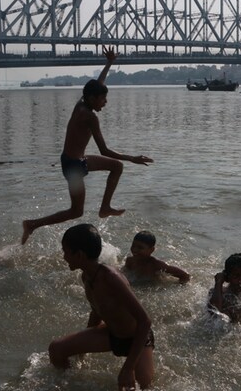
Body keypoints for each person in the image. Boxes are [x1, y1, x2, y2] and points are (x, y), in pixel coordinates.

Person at [21, 46, 153, 244]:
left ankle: (105, 207)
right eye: (103, 99)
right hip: (73, 167)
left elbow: (97, 84)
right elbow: (104, 150)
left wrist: (109, 63)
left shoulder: (82, 103)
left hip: (77, 160)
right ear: (92, 99)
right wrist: (132, 158)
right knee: (76, 211)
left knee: (116, 167)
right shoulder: (89, 116)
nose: (105, 103)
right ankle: (32, 224)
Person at [48, 223, 155, 391]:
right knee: (56, 350)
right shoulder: (87, 276)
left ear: (80, 255)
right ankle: (72, 390)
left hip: (137, 339)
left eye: (66, 252)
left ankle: (134, 366)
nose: (64, 257)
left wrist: (128, 368)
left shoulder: (111, 278)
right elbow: (97, 311)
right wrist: (82, 349)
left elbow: (145, 321)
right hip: (112, 335)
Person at [123, 231, 191, 284]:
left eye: (140, 247)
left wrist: (174, 287)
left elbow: (185, 276)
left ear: (151, 250)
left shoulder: (156, 265)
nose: (134, 250)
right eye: (133, 246)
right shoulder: (130, 261)